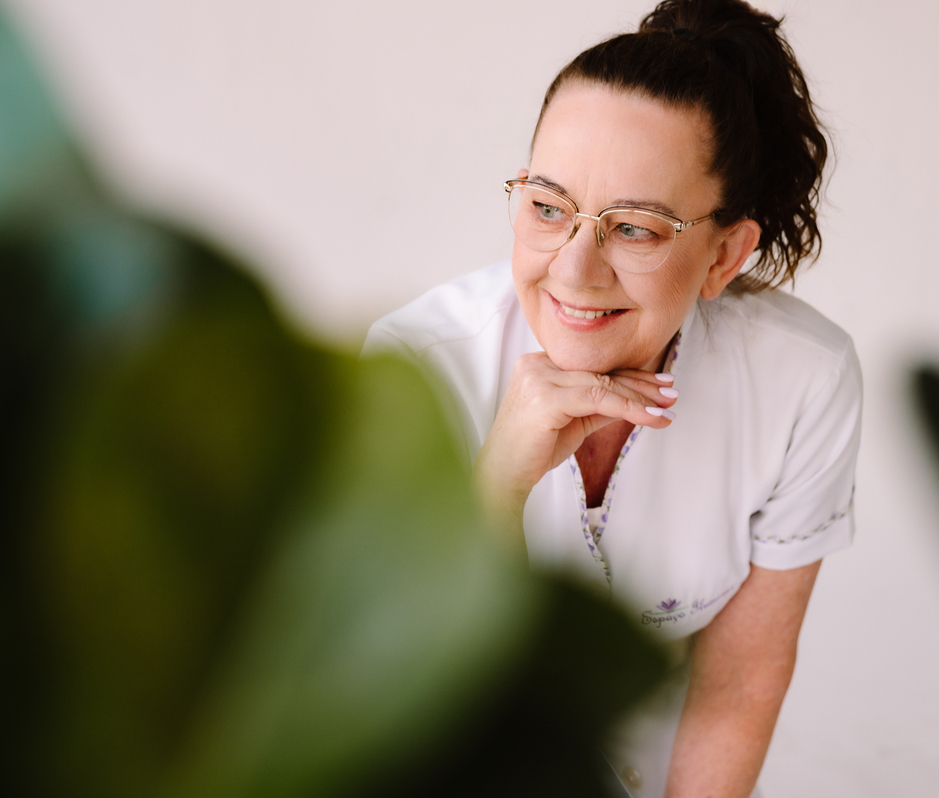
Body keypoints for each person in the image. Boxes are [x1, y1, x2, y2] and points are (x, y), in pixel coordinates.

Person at [363, 0, 862, 795]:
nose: (572, 270)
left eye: (635, 228)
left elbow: (740, 681)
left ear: (724, 255)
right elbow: (381, 699)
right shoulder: (413, 368)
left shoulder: (803, 379)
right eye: (548, 209)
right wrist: (501, 479)